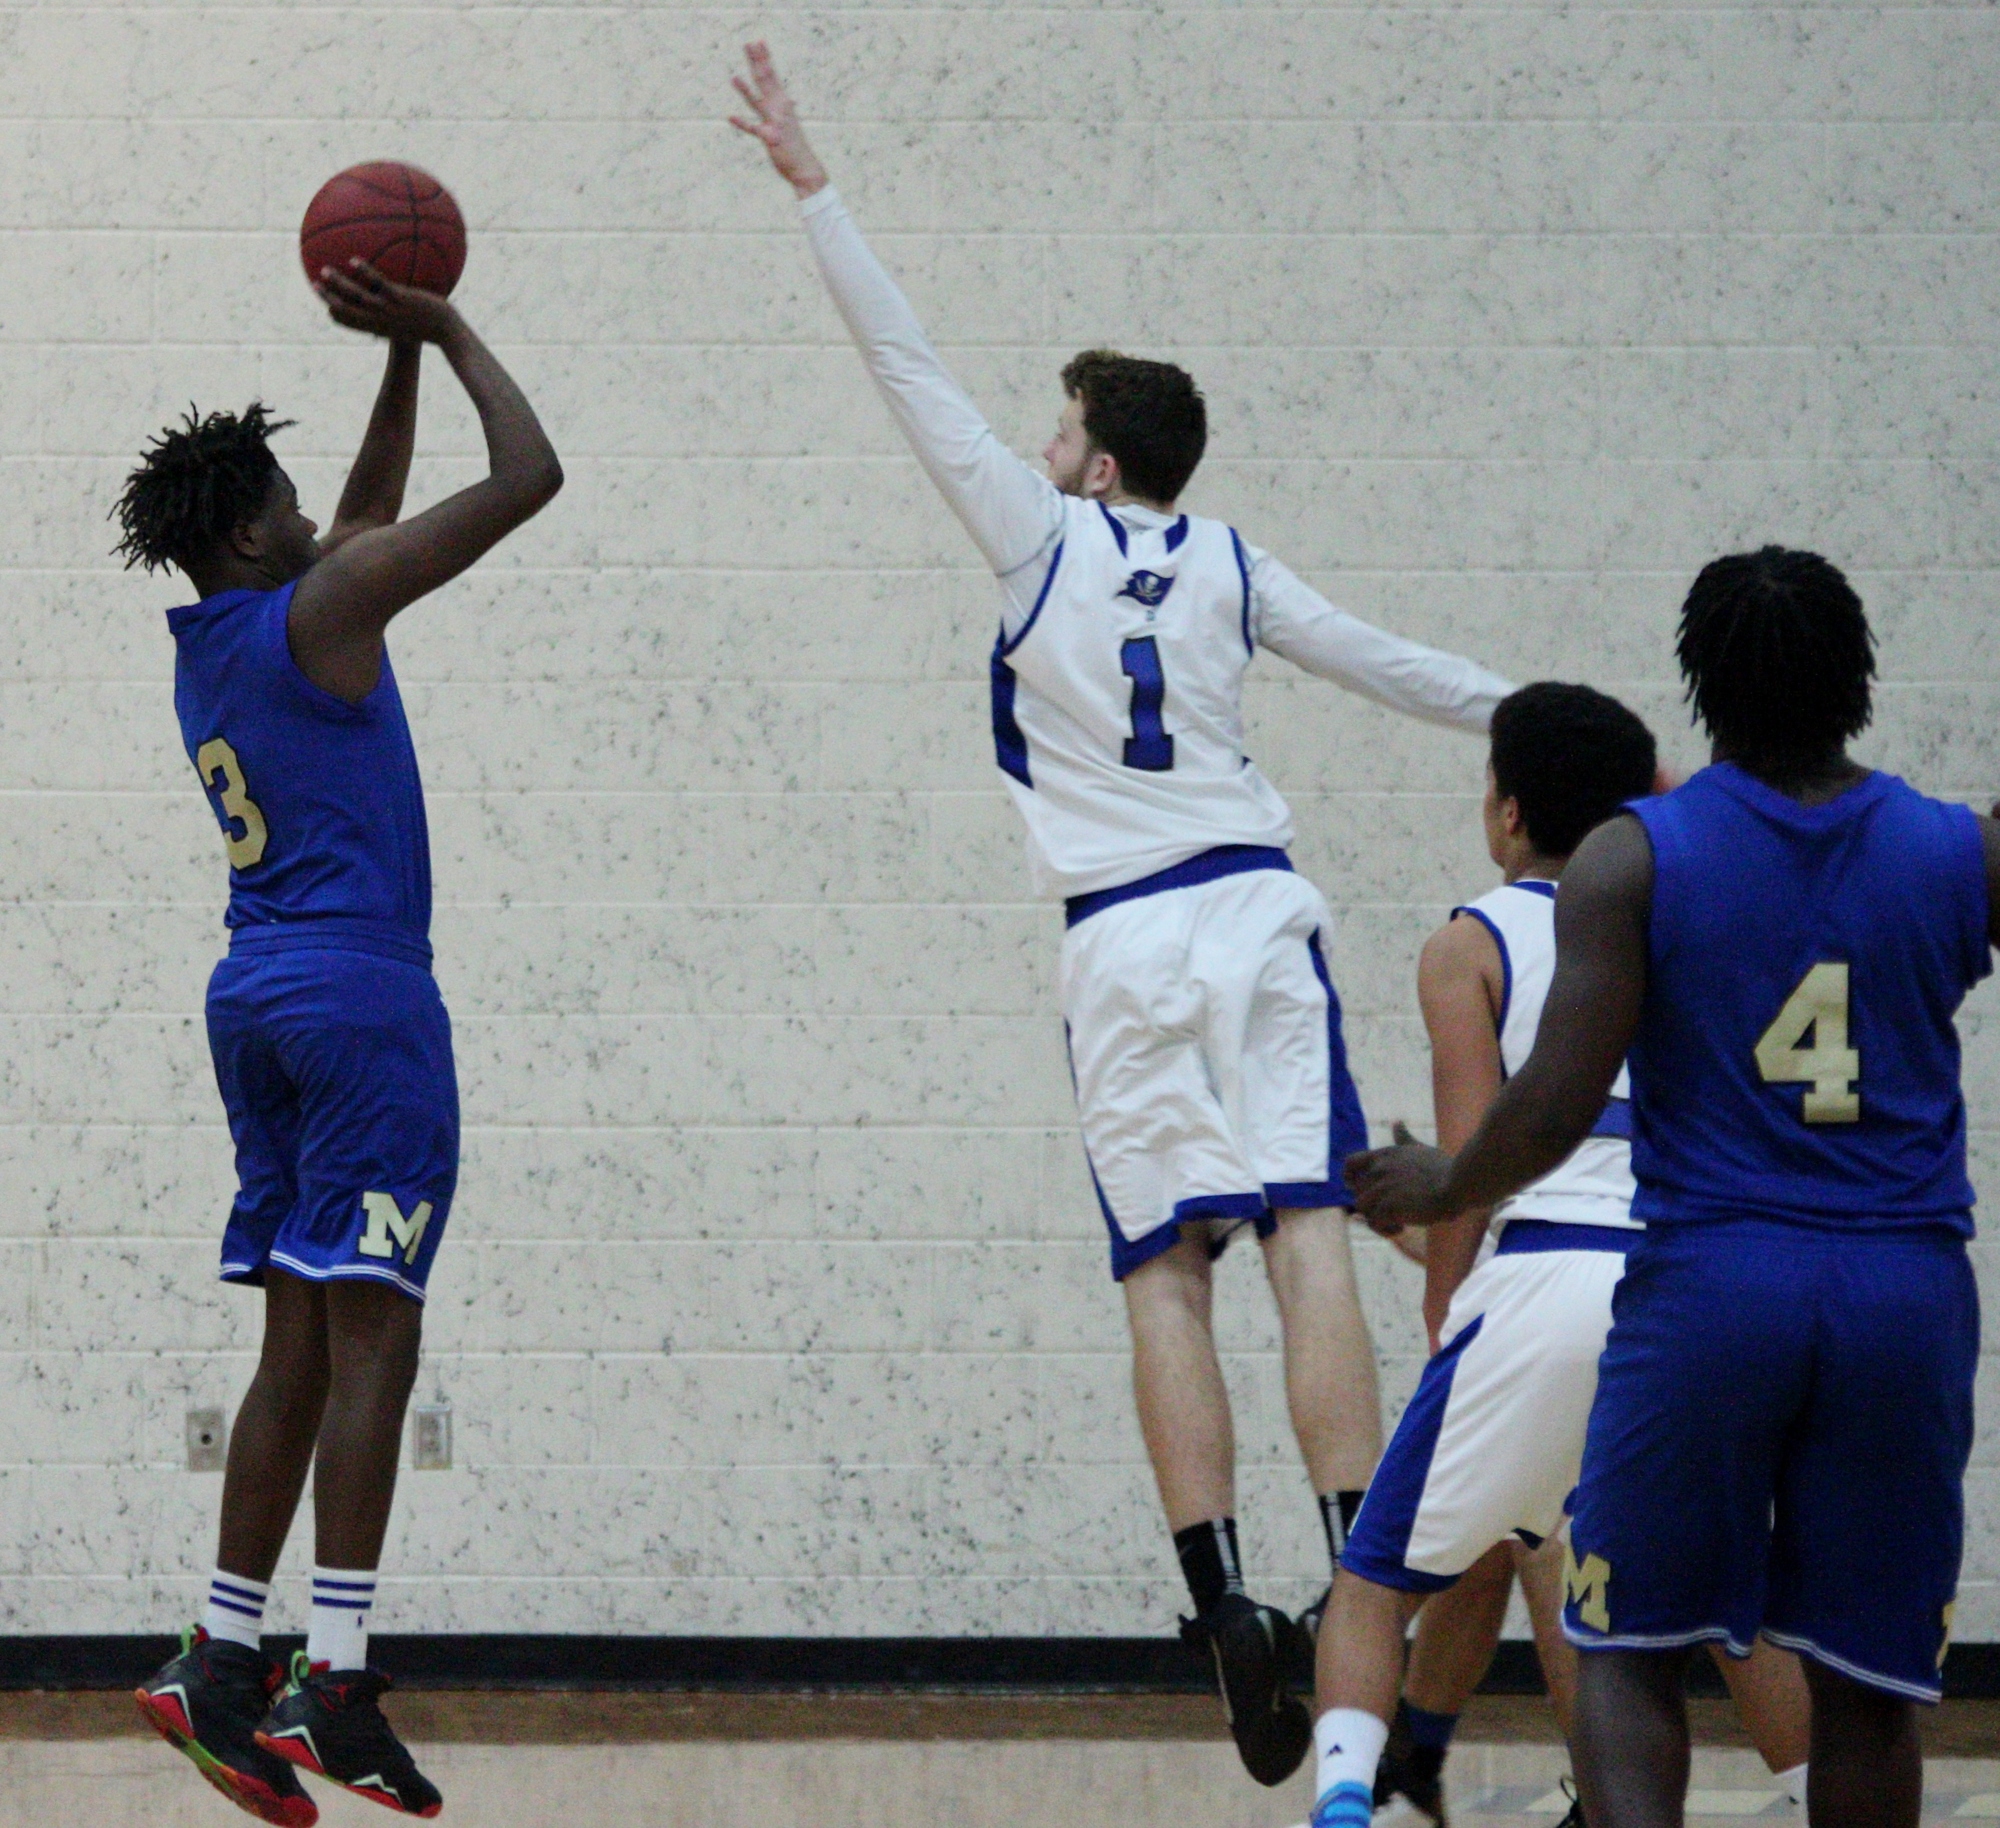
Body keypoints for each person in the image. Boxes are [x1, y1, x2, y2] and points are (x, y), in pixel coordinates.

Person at [728, 41, 1515, 1785]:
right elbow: (1399, 665)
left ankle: (1220, 1600)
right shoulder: (1233, 561)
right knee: (1316, 1237)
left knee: (1169, 1271)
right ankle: (1344, 1577)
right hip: (1258, 913)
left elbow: (900, 361)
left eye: (1058, 424)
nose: (1038, 438)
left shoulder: (1034, 539)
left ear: (1092, 464)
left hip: (1123, 936)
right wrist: (1558, 720)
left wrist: (814, 184)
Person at [1345, 548, 1993, 1828]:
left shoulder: (1634, 859)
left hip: (1712, 1285)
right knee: (1864, 1688)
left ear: (1698, 688)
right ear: (1860, 675)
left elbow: (1554, 1102)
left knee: (1631, 1649)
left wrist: (1439, 1181)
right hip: (1899, 1292)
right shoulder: (1958, 851)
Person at [120, 260, 563, 1824]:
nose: (323, 515)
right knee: (380, 1334)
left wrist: (389, 370)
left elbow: (360, 520)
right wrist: (444, 329)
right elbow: (530, 476)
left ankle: (221, 1658)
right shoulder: (321, 607)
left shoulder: (227, 635)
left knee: (298, 1344)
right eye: (293, 502)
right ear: (254, 530)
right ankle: (340, 1676)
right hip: (364, 1000)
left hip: (255, 997)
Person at [1312, 684, 1809, 1828]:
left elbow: (1477, 1169)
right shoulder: (1688, 922)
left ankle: (1346, 1803)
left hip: (1542, 1274)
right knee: (1723, 1605)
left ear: (1503, 812)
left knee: (1373, 1577)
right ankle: (1814, 1796)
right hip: (1689, 1281)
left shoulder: (1469, 941)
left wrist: (1447, 1311)